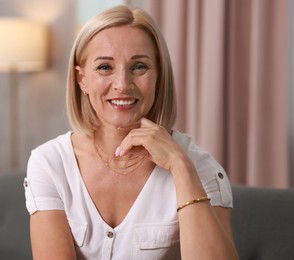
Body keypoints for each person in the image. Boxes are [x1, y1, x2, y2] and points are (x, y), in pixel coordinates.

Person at [24, 5, 239, 260]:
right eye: (105, 67)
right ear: (82, 80)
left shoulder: (199, 168)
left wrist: (181, 166)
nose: (123, 85)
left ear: (158, 78)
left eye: (139, 67)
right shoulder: (50, 163)